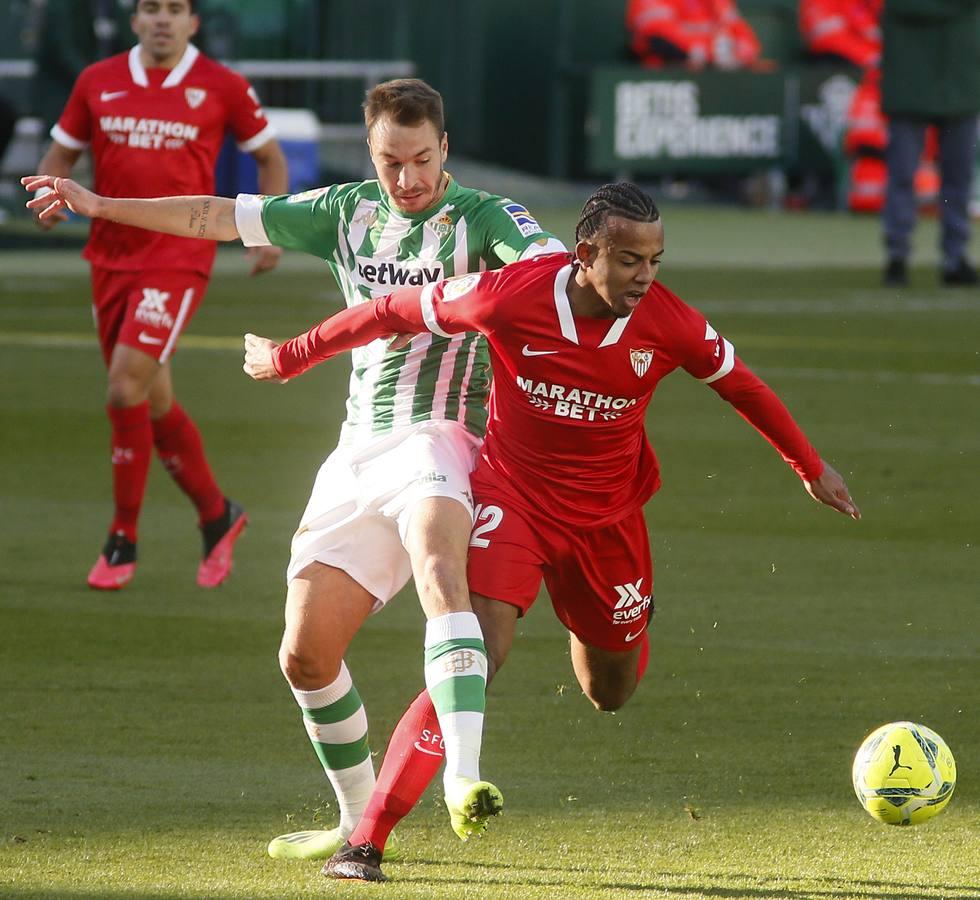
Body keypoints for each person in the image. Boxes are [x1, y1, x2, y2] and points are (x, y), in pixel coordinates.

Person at [239, 182, 861, 883]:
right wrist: (291, 356)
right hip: (514, 500)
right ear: (586, 253)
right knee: (480, 646)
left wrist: (811, 467)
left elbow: (740, 383)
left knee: (610, 689)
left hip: (608, 523)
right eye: (629, 261)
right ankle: (369, 839)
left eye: (655, 261)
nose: (645, 277)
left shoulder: (670, 323)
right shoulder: (510, 295)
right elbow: (389, 311)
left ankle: (605, 620)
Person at [25, 77, 567, 859]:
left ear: (445, 148)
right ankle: (353, 817)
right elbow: (212, 214)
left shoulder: (484, 218)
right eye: (391, 162)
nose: (408, 179)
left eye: (421, 159)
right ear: (371, 154)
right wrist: (100, 205)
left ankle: (463, 780)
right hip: (357, 451)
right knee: (305, 653)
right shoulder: (344, 211)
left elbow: (548, 268)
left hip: (443, 437)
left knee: (439, 572)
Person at [30, 0, 287, 591]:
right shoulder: (97, 81)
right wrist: (48, 193)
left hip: (178, 258)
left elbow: (269, 158)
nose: (163, 19)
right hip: (110, 259)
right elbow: (60, 155)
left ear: (193, 23)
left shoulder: (221, 85)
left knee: (123, 387)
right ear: (135, 20)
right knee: (151, 402)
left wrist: (266, 229)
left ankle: (122, 539)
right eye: (152, 8)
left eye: (175, 9)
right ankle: (218, 515)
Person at [880, 0, 979, 287]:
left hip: (929, 88)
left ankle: (900, 256)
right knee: (949, 180)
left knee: (908, 178)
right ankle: (951, 257)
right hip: (955, 88)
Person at [626, 0, 763, 70]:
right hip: (667, 81)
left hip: (715, 78)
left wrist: (733, 53)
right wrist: (717, 52)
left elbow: (748, 43)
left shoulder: (716, 2)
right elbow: (661, 39)